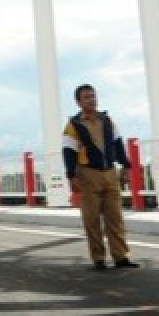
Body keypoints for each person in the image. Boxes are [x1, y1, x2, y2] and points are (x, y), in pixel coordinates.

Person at [62, 84, 139, 271]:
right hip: (87, 174)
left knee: (115, 217)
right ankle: (98, 258)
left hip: (110, 173)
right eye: (86, 97)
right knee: (92, 218)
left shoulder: (107, 121)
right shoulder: (73, 125)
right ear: (78, 102)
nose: (91, 99)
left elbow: (118, 145)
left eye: (93, 96)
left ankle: (121, 257)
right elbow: (68, 152)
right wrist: (71, 176)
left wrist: (127, 166)